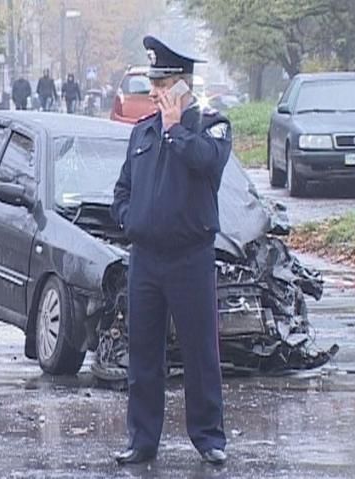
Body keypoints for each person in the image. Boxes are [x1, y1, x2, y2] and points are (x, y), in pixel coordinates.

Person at [111, 35, 231, 466]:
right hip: (145, 258)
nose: (155, 92)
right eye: (154, 84)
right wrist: (128, 218)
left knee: (200, 353)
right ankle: (142, 440)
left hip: (190, 257)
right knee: (143, 355)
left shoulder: (210, 126)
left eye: (163, 84)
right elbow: (122, 188)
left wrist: (177, 129)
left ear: (183, 84)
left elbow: (209, 163)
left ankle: (208, 437)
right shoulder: (142, 132)